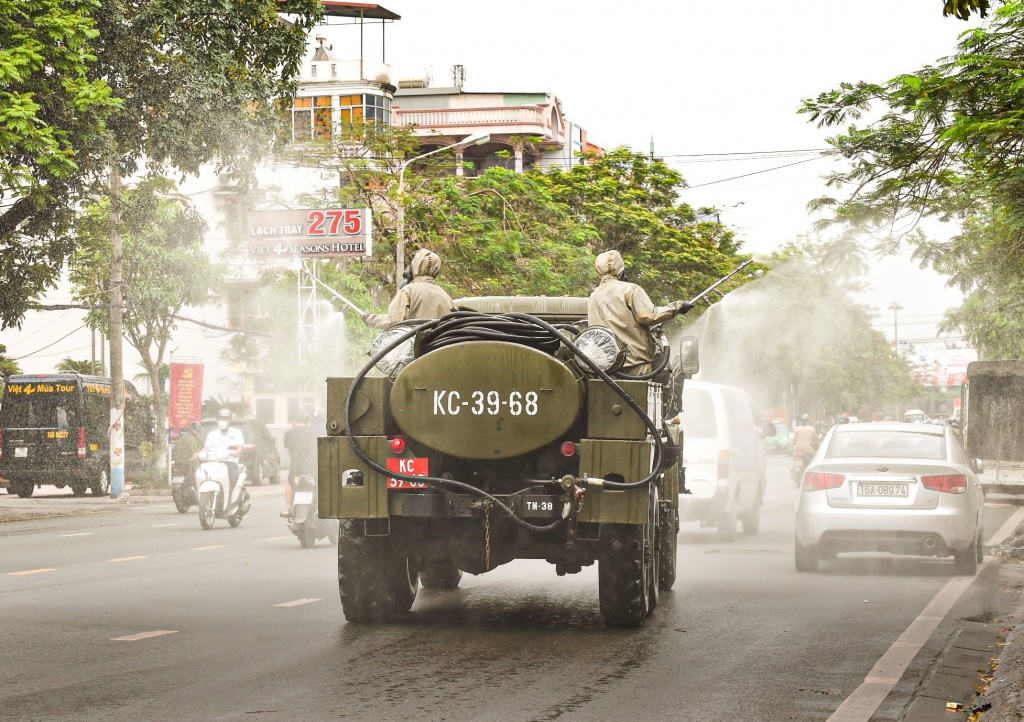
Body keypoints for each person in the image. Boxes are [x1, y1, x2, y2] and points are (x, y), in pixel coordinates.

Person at [586, 249, 693, 375]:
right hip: (635, 364)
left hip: (605, 368)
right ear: (621, 269)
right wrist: (678, 306)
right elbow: (648, 316)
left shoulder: (593, 296)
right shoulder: (630, 290)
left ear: (598, 270)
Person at [362, 248, 456, 329]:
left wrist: (370, 318)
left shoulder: (408, 291)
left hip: (415, 346)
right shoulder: (446, 297)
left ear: (415, 266)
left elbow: (393, 320)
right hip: (439, 347)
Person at [282, 413, 319, 518]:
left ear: (294, 421)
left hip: (296, 467)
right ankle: (318, 509)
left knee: (290, 482)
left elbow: (288, 448)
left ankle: (288, 507)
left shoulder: (288, 433)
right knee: (320, 484)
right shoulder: (314, 432)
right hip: (313, 466)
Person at [196, 408, 245, 486]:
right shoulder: (212, 434)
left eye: (225, 418)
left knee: (232, 478)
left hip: (230, 462)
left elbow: (240, 447)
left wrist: (235, 453)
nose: (223, 421)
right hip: (214, 462)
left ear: (230, 420)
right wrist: (198, 454)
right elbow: (206, 447)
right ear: (217, 420)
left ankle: (230, 496)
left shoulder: (237, 433)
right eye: (220, 418)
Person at [171, 421, 202, 486]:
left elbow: (173, 451)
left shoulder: (183, 437)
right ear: (192, 430)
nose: (198, 432)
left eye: (199, 430)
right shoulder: (193, 440)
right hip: (188, 466)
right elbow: (194, 456)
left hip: (178, 464)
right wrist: (197, 470)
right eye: (196, 430)